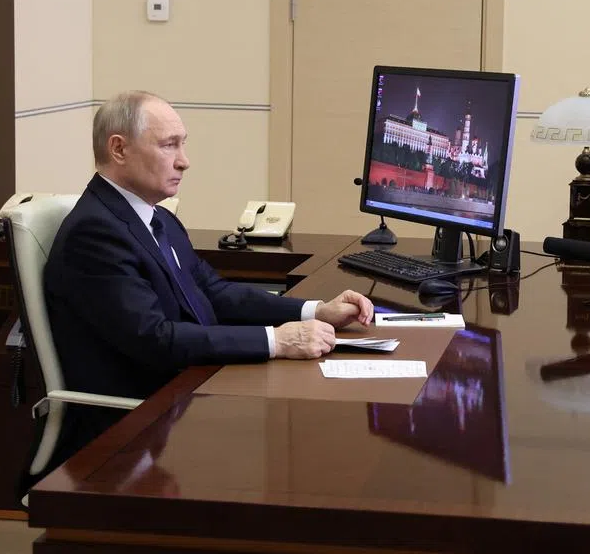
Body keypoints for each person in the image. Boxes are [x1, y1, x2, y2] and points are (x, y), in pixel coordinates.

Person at [40, 90, 374, 474]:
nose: (185, 161)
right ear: (119, 149)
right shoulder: (96, 233)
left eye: (183, 145)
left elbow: (215, 293)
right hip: (133, 433)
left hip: (185, 393)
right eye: (169, 146)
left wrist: (317, 310)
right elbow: (155, 339)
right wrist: (277, 340)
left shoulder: (156, 218)